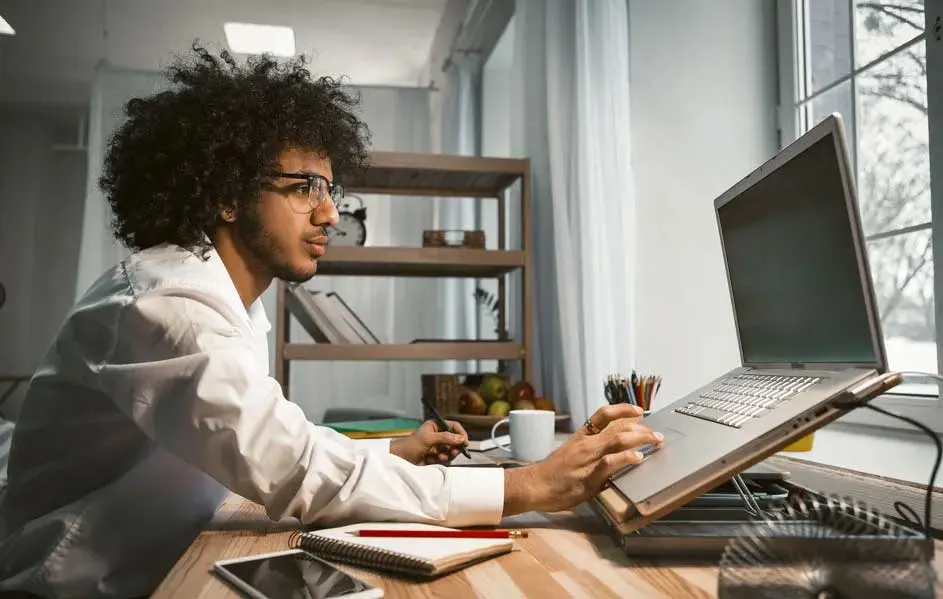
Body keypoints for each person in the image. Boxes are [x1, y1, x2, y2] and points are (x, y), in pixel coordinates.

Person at [0, 46, 662, 599]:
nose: (327, 216)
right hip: (67, 585)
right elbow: (293, 467)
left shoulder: (220, 297)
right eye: (301, 188)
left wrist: (386, 450)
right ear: (226, 193)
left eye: (329, 191)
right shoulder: (167, 303)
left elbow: (263, 437)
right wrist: (528, 484)